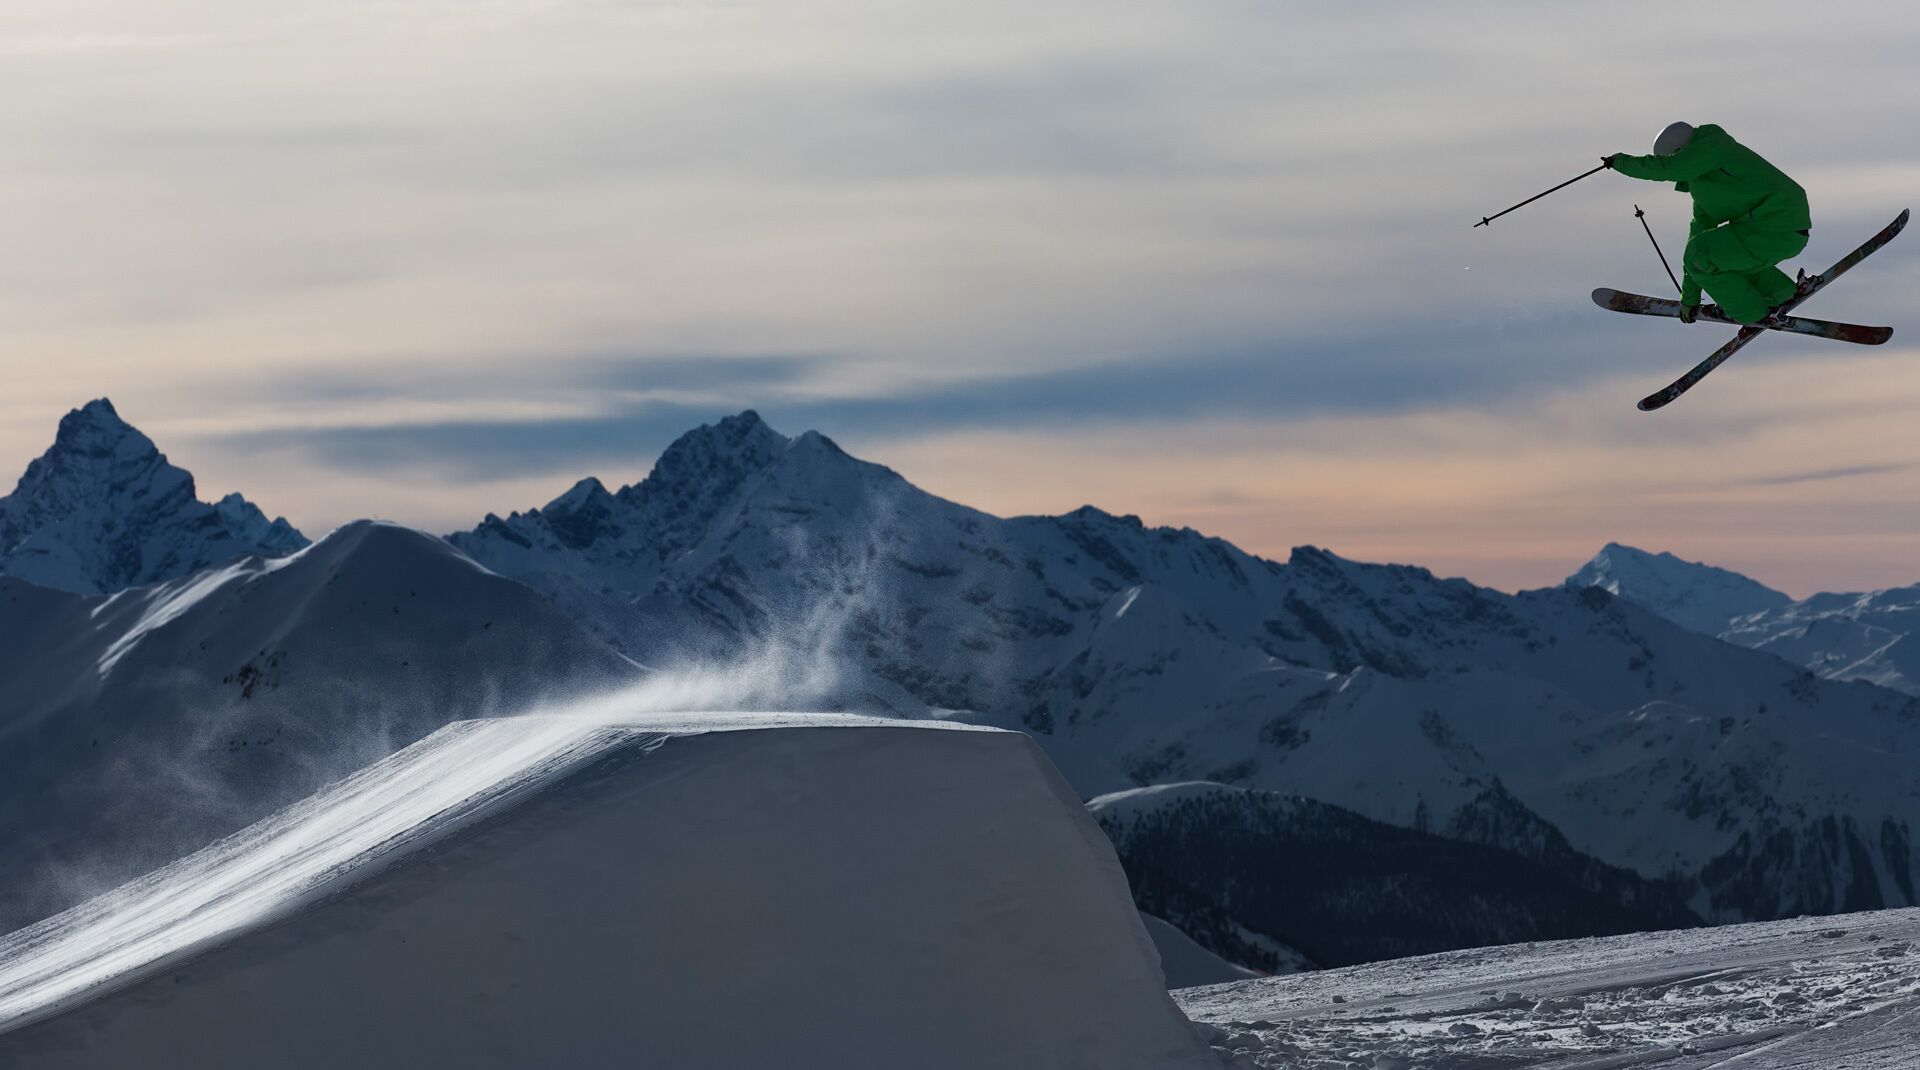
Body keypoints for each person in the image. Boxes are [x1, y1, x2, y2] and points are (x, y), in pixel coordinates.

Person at [1607, 122, 1811, 325]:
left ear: (1681, 153)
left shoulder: (1712, 147)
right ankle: (1780, 293)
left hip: (1774, 222)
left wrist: (1621, 162)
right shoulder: (1705, 188)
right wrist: (1690, 299)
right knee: (1716, 259)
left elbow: (1668, 168)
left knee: (1701, 254)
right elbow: (1696, 245)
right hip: (1781, 232)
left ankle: (1751, 313)